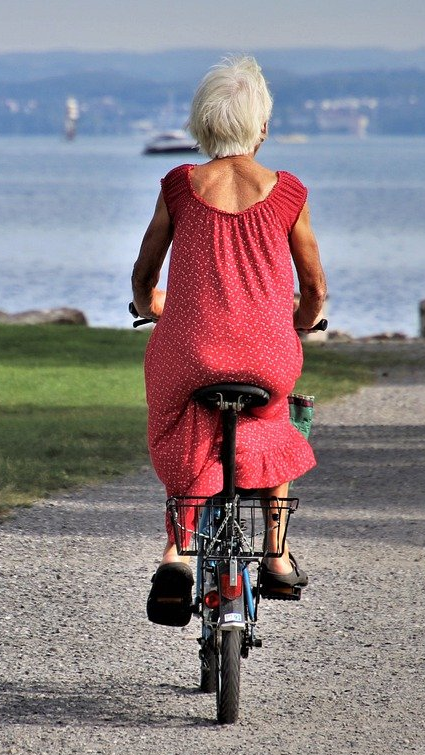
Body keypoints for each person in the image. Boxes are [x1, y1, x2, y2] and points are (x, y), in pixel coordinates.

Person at [132, 56, 326, 626]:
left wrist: (151, 307)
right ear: (261, 126)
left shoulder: (179, 186)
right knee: (274, 420)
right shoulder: (288, 192)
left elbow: (144, 277)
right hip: (266, 354)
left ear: (202, 124)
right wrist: (302, 319)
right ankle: (276, 554)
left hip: (190, 351)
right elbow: (314, 287)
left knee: (184, 422)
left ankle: (177, 554)